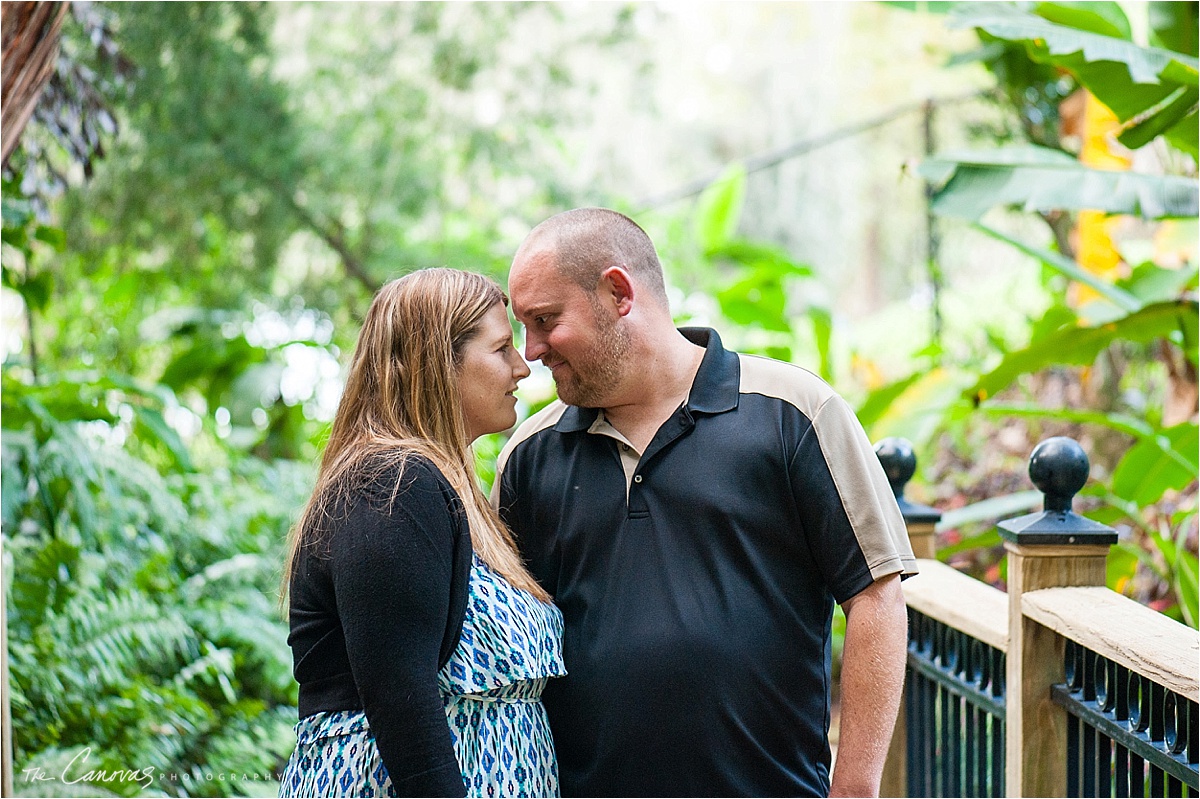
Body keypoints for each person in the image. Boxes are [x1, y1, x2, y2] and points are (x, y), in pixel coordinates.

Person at [493, 208, 916, 798]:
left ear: (618, 293)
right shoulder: (529, 455)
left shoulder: (791, 412)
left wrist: (854, 790)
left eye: (545, 320)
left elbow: (876, 594)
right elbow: (501, 648)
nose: (530, 349)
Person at [279, 268, 566, 798]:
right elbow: (400, 698)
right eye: (501, 349)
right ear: (437, 363)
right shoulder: (390, 485)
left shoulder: (450, 490)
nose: (523, 368)